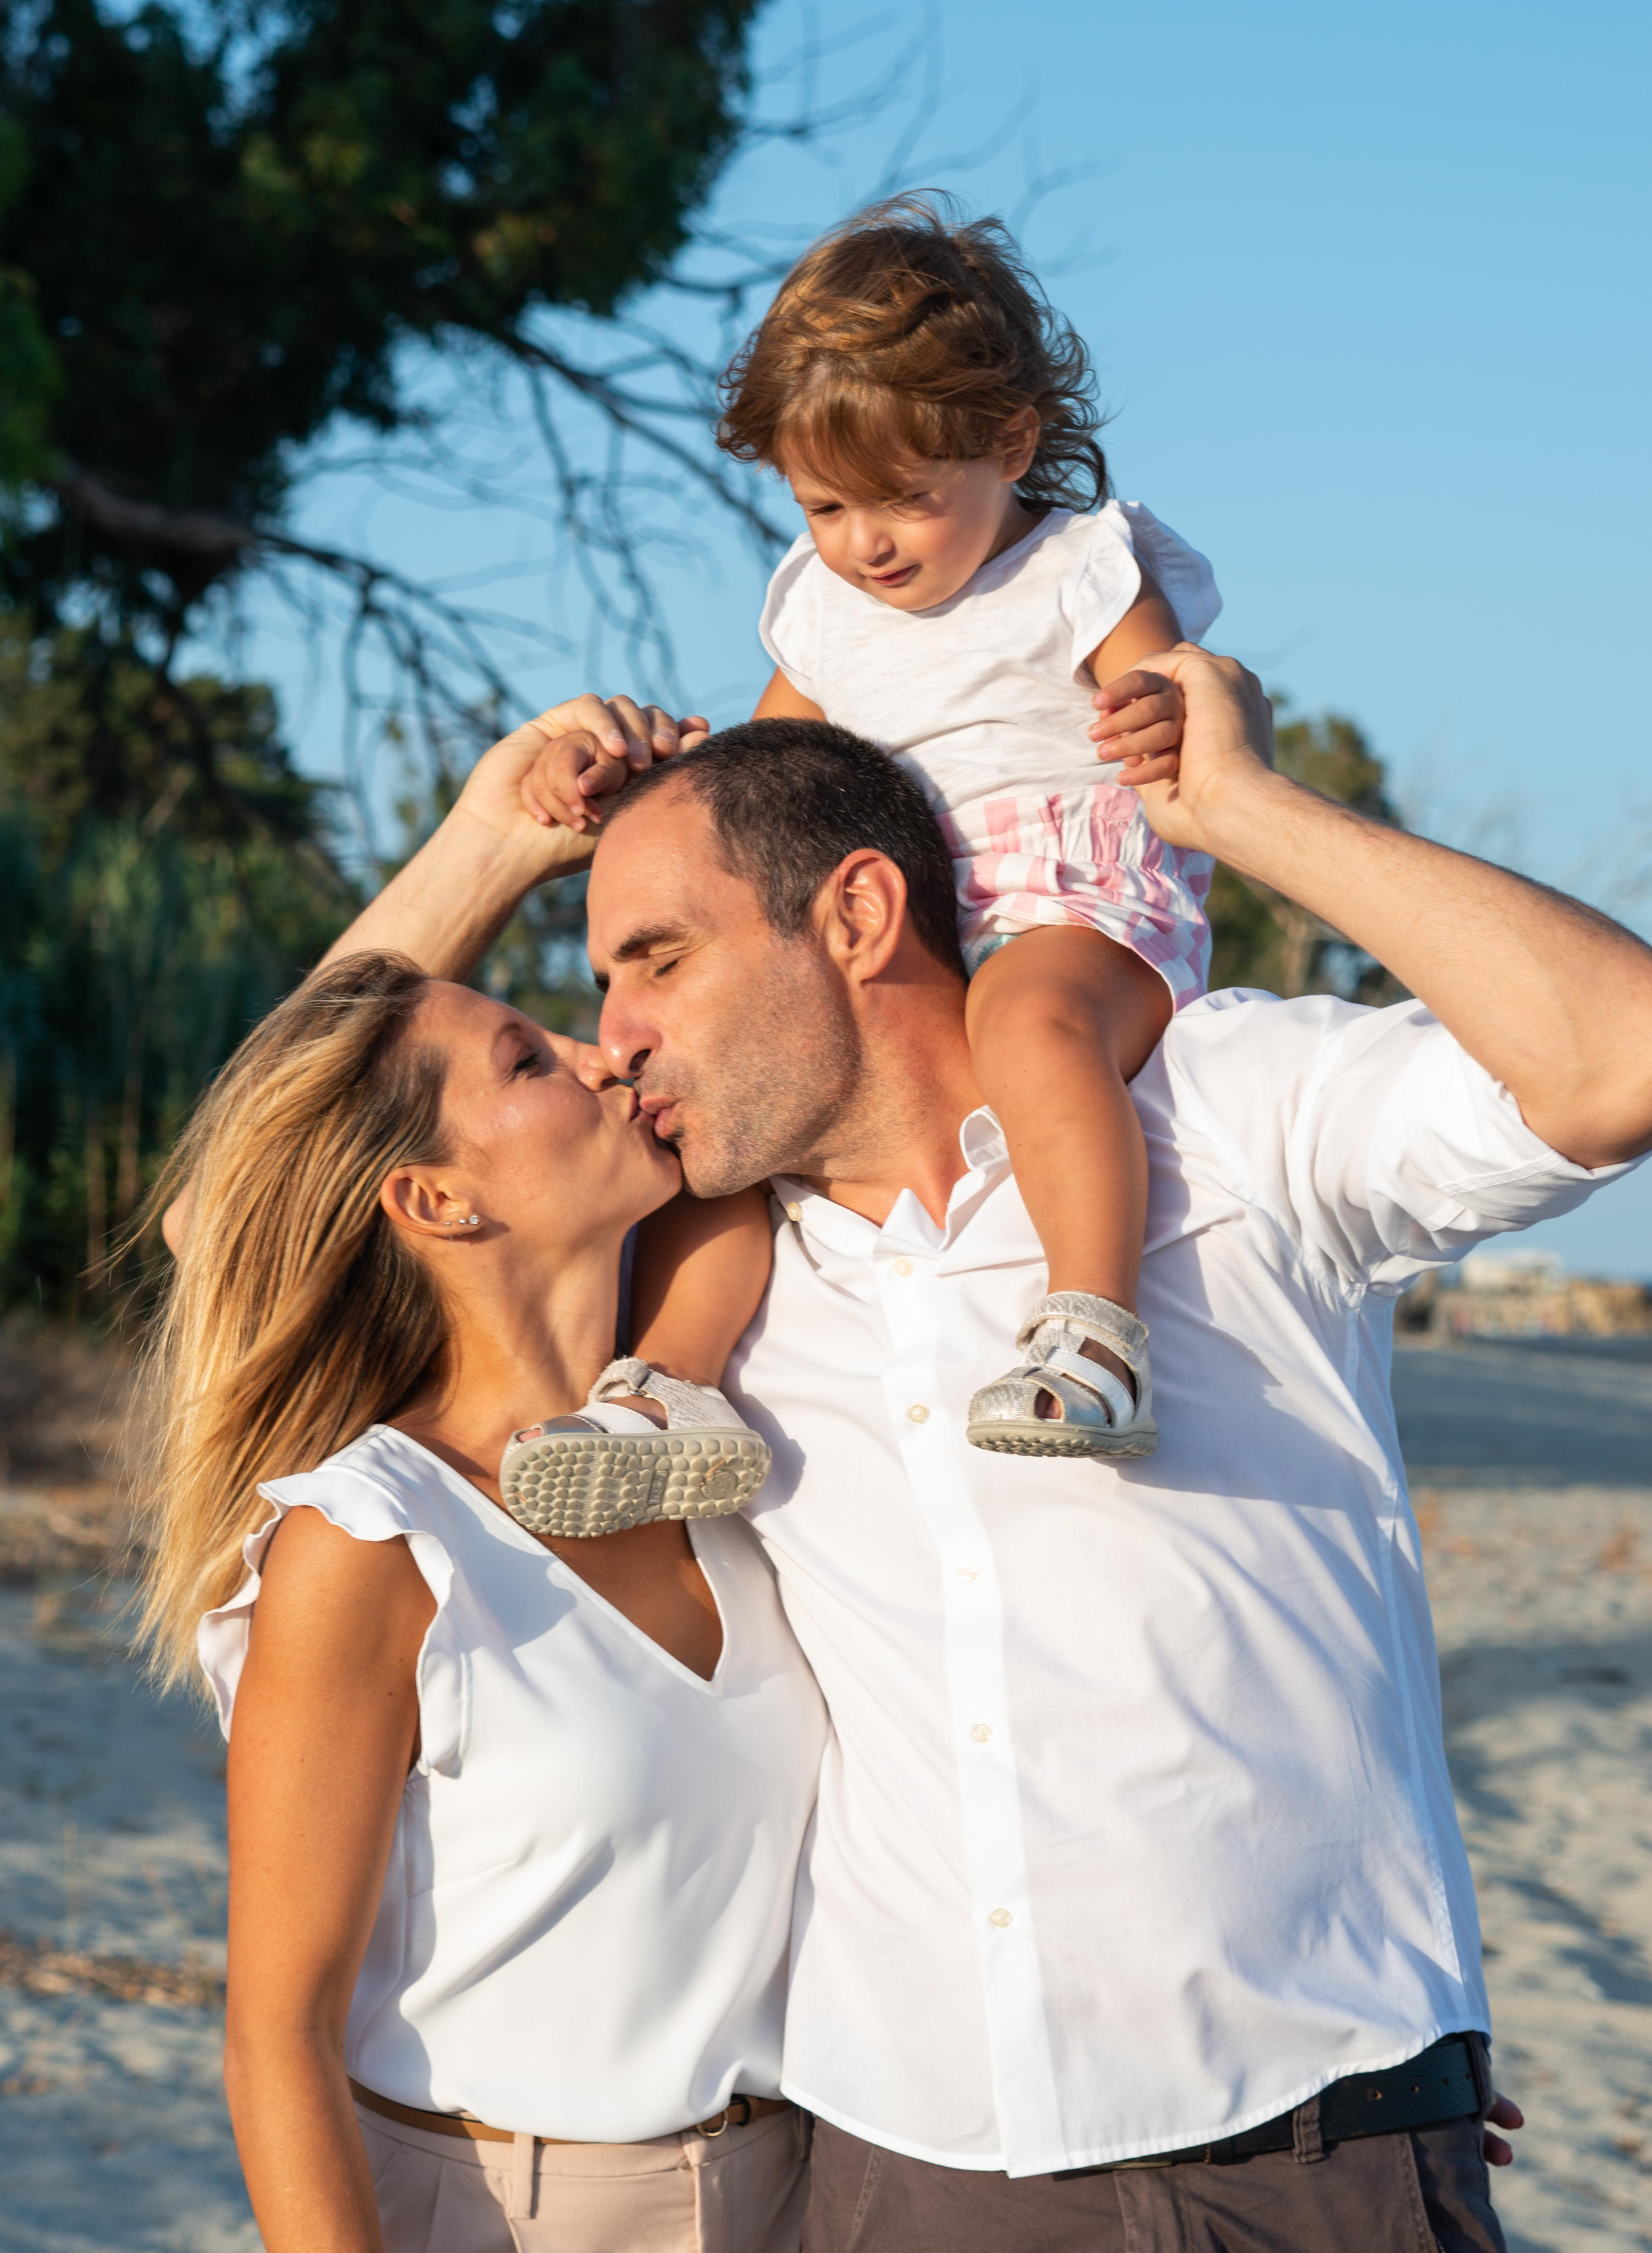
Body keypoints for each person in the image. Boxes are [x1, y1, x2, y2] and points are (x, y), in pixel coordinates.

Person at [330, 643, 1652, 2252]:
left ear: (859, 916)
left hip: (1323, 2153)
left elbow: (1616, 1057)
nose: (616, 1037)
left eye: (655, 961)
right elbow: (254, 1196)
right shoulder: (678, 1282)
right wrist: (488, 837)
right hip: (913, 2178)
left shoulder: (1213, 1114)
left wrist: (1241, 807)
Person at [137, 952, 826, 2253]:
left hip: (793, 2196)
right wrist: (490, 839)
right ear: (434, 1198)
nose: (600, 1053)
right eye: (528, 1056)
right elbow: (275, 2037)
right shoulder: (373, 1539)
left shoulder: (730, 1447)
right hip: (497, 2217)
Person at [519, 194, 1222, 1464]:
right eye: (821, 509)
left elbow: (1185, 700)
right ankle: (669, 1389)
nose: (861, 545)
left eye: (897, 499)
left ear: (1008, 440)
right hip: (905, 914)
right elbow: (760, 779)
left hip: (1070, 902)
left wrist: (1166, 716)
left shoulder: (1075, 570)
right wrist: (640, 782)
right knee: (729, 1113)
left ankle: (1095, 1327)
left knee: (1029, 1025)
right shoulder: (824, 611)